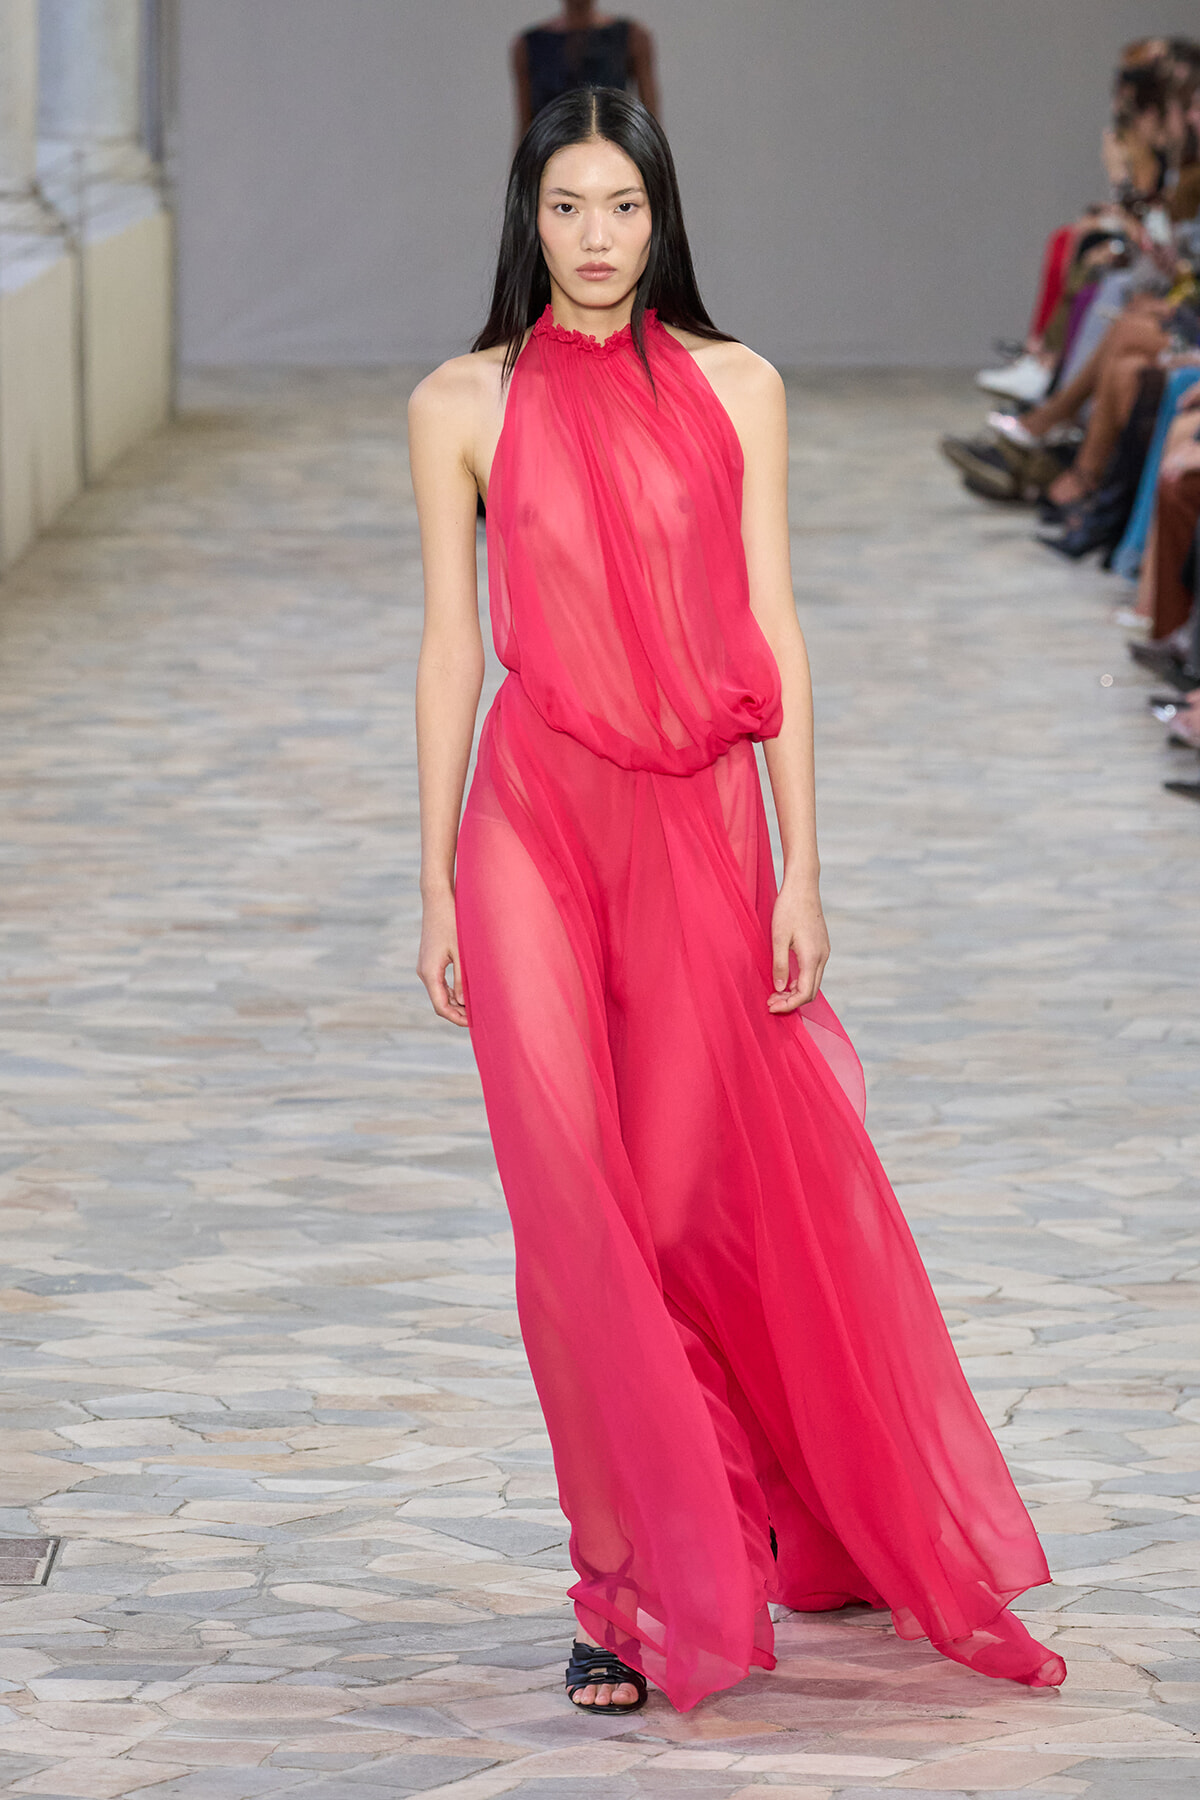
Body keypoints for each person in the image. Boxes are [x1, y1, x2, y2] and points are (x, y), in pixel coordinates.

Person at [408, 86, 1066, 1716]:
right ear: (526, 217)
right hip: (531, 818)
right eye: (565, 206)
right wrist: (430, 875)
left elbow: (775, 622)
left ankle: (765, 1500)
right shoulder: (458, 405)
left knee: (696, 1199)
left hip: (699, 820)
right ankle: (621, 1583)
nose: (595, 236)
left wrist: (807, 865)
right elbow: (447, 646)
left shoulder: (741, 388)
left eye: (621, 204)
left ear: (664, 214)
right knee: (574, 1209)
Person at [513, 1, 659, 136]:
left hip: (609, 151)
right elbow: (525, 127)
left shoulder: (632, 37)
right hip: (550, 153)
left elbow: (651, 122)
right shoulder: (529, 46)